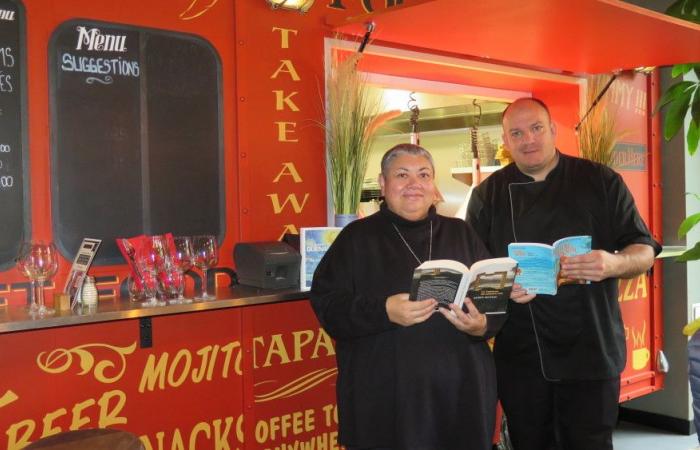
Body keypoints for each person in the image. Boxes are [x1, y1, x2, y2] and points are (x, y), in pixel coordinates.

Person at [466, 97, 661, 450]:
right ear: (506, 142)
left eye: (537, 128)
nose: (528, 139)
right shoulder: (487, 195)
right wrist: (503, 287)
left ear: (554, 130)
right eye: (517, 133)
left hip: (591, 349)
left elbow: (644, 250)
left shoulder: (600, 180)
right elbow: (475, 275)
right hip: (522, 355)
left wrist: (612, 263)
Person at [311, 143, 503, 450]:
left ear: (433, 185)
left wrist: (482, 325)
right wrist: (384, 311)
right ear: (383, 184)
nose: (414, 184)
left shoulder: (461, 233)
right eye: (402, 175)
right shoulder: (356, 239)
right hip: (387, 399)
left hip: (461, 393)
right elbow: (328, 306)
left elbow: (492, 304)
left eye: (423, 175)